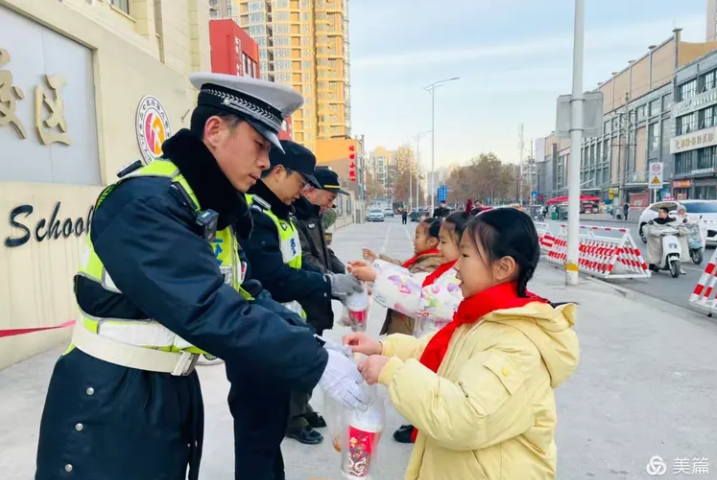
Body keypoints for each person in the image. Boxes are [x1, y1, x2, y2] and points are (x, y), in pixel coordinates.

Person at [34, 73, 369, 480]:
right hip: (110, 396)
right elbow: (207, 306)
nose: (265, 162)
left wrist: (309, 340)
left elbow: (244, 291)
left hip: (166, 389)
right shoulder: (146, 203)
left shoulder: (207, 206)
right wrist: (313, 361)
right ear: (214, 131)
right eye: (260, 145)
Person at [346, 208, 580, 480]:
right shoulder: (482, 316)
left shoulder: (517, 343)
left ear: (503, 267)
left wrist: (392, 371)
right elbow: (440, 352)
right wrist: (382, 348)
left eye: (466, 255)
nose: (457, 265)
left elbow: (465, 420)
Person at [242, 140, 363, 446]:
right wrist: (329, 283)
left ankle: (298, 412)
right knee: (265, 413)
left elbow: (300, 262)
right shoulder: (256, 215)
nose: (303, 191)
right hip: (267, 320)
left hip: (293, 313)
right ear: (279, 172)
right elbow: (273, 277)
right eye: (301, 182)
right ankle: (291, 420)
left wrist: (334, 281)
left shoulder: (283, 213)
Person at [349, 200, 475, 443]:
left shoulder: (458, 278)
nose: (439, 248)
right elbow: (413, 280)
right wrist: (377, 271)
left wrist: (376, 276)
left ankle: (423, 427)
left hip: (442, 348)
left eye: (445, 242)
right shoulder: (446, 271)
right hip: (428, 342)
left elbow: (422, 298)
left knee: (433, 391)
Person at [360, 217, 443, 335]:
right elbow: (401, 267)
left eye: (418, 237)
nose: (414, 241)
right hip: (404, 324)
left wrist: (376, 279)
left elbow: (408, 292)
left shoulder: (431, 266)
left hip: (409, 329)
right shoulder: (421, 260)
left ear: (432, 242)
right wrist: (376, 259)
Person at [293, 166, 349, 336]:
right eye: (330, 198)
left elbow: (324, 252)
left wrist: (345, 275)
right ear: (310, 191)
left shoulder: (314, 216)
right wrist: (334, 281)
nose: (331, 205)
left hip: (318, 305)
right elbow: (305, 258)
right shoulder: (295, 217)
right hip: (303, 309)